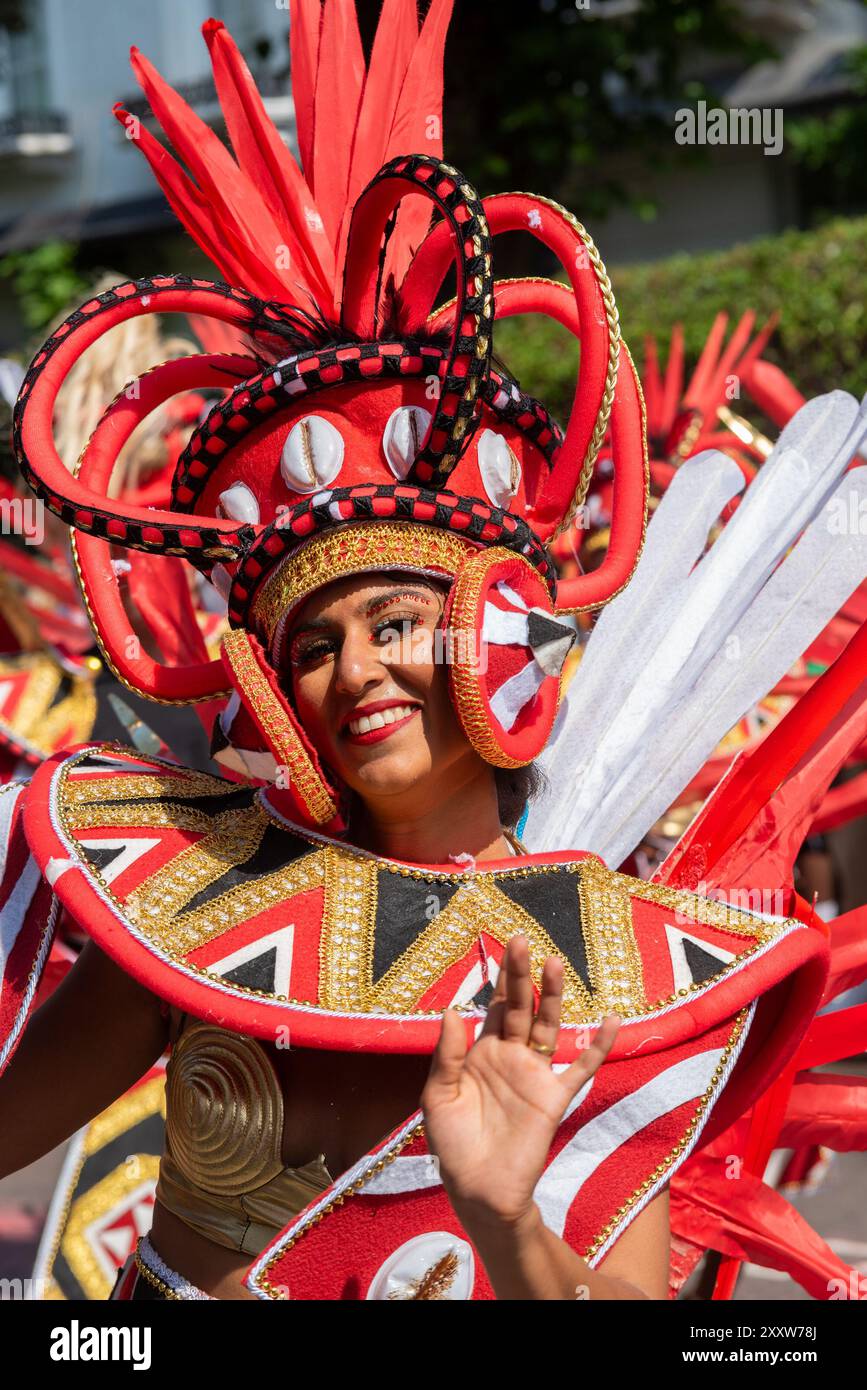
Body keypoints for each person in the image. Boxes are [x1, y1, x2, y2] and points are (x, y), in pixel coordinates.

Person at [0, 7, 839, 1302]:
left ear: (499, 635)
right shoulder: (200, 907)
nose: (354, 674)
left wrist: (506, 1216)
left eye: (397, 626)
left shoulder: (603, 961)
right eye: (317, 646)